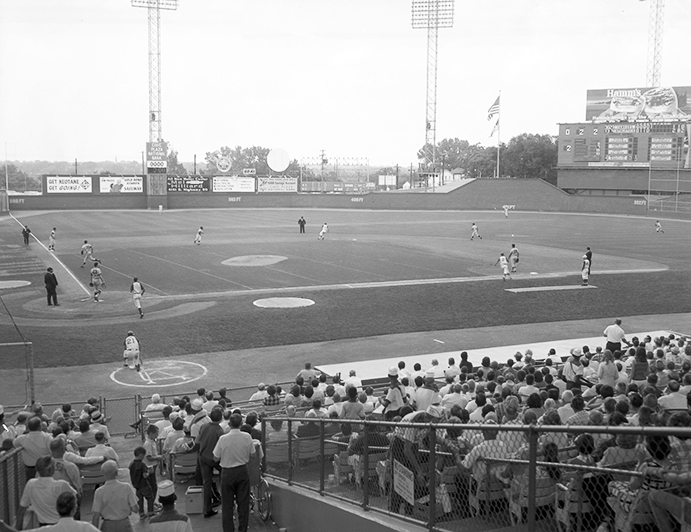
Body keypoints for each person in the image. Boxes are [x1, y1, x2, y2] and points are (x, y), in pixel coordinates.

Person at [213, 413, 255, 532]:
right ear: (241, 424)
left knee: (227, 505)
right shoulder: (246, 437)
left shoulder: (223, 439)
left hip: (227, 472)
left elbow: (215, 457)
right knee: (243, 503)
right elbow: (252, 454)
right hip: (242, 470)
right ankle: (243, 529)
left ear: (229, 424)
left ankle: (228, 530)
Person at [15, 456, 76, 529]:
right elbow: (77, 493)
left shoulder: (30, 484)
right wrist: (65, 474)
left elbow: (21, 511)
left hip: (43, 526)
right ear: (51, 470)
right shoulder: (61, 485)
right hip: (63, 526)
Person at [0, 491, 99, 532]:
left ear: (57, 509)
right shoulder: (86, 527)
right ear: (74, 510)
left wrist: (3, 526)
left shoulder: (47, 530)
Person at [192, 408, 224, 518]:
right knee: (224, 479)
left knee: (207, 483)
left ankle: (207, 509)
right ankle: (226, 503)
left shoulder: (203, 426)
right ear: (220, 418)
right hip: (215, 459)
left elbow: (197, 441)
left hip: (203, 457)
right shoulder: (219, 430)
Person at [91, 460, 138, 532]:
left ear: (103, 474)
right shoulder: (126, 487)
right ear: (116, 473)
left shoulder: (99, 492)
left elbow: (96, 516)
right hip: (124, 523)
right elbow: (135, 509)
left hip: (108, 525)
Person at [129, 446, 155, 519]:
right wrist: (149, 472)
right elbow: (145, 475)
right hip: (144, 485)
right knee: (150, 498)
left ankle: (141, 514)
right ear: (141, 455)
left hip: (136, 486)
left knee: (140, 501)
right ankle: (150, 512)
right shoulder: (142, 465)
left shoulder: (131, 464)